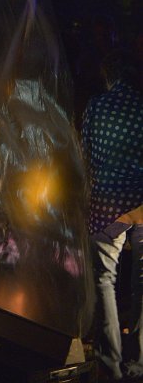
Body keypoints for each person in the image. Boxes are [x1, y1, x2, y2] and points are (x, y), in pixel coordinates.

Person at [82, 49, 143, 381]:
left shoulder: (96, 106)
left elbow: (87, 156)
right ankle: (139, 363)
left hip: (107, 203)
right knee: (142, 281)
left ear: (107, 76)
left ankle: (109, 363)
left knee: (104, 278)